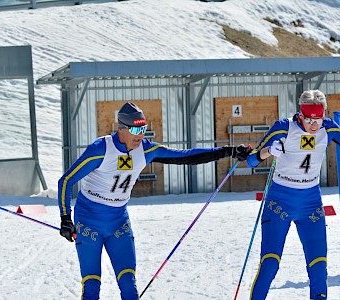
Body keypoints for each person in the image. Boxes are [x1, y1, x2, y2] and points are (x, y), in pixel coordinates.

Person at [58, 102, 251, 300]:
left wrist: (229, 151)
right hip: (89, 220)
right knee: (91, 286)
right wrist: (65, 217)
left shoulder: (146, 150)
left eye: (143, 128)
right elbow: (66, 180)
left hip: (117, 221)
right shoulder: (101, 149)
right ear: (122, 128)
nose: (141, 135)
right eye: (136, 129)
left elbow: (186, 156)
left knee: (128, 285)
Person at [246, 90, 340, 300]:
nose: (313, 126)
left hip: (311, 204)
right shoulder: (284, 126)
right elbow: (251, 161)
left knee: (318, 266)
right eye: (308, 120)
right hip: (280, 201)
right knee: (270, 263)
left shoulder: (329, 128)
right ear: (300, 114)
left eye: (318, 120)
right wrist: (269, 150)